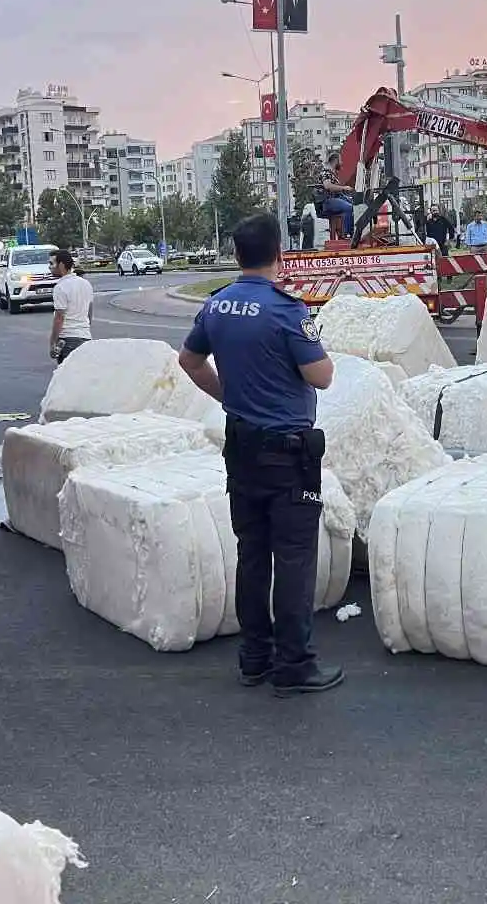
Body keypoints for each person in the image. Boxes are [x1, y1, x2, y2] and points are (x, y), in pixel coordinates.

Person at [176, 212, 342, 698]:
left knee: (252, 554)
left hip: (242, 449)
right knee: (293, 559)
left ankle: (255, 657)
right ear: (280, 255)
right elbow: (323, 376)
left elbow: (188, 360)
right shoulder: (286, 310)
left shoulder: (217, 306)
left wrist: (228, 394)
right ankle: (294, 664)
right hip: (288, 456)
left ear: (235, 255)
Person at [48, 248, 93, 364]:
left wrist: (52, 342)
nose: (50, 267)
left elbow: (59, 318)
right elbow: (89, 312)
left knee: (67, 378)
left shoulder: (60, 287)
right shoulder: (86, 284)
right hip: (86, 338)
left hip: (67, 341)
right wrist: (84, 328)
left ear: (61, 265)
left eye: (52, 263)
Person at [318, 155, 355, 244]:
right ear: (335, 160)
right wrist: (344, 188)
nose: (341, 163)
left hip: (336, 198)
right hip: (328, 201)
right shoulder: (325, 172)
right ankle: (346, 234)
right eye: (340, 160)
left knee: (355, 205)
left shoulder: (332, 173)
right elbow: (328, 186)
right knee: (349, 208)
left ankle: (354, 230)